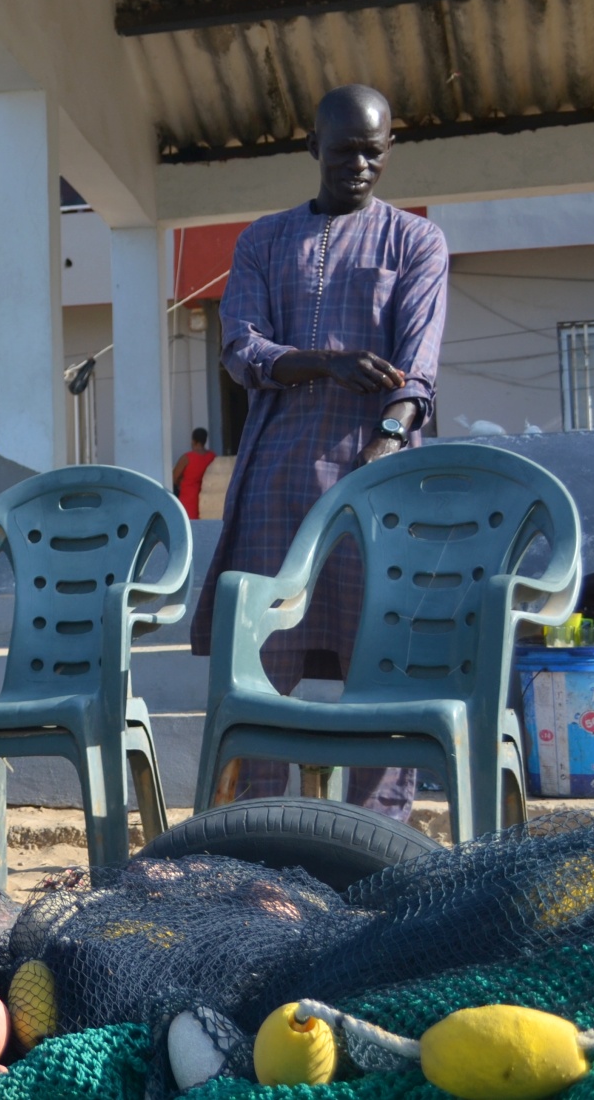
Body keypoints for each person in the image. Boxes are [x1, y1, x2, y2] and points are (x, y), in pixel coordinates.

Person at [190, 84, 449, 821]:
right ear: (312, 148)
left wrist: (388, 439)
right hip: (277, 481)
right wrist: (326, 361)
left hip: (379, 489)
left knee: (382, 679)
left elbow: (419, 368)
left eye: (374, 151)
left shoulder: (416, 242)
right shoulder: (262, 242)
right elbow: (242, 349)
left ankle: (371, 852)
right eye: (344, 152)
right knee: (260, 682)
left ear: (390, 148)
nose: (360, 165)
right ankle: (251, 849)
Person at [172, 427, 215, 520]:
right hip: (206, 497)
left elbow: (173, 477)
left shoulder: (186, 458)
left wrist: (181, 482)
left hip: (188, 497)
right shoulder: (212, 456)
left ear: (193, 441)